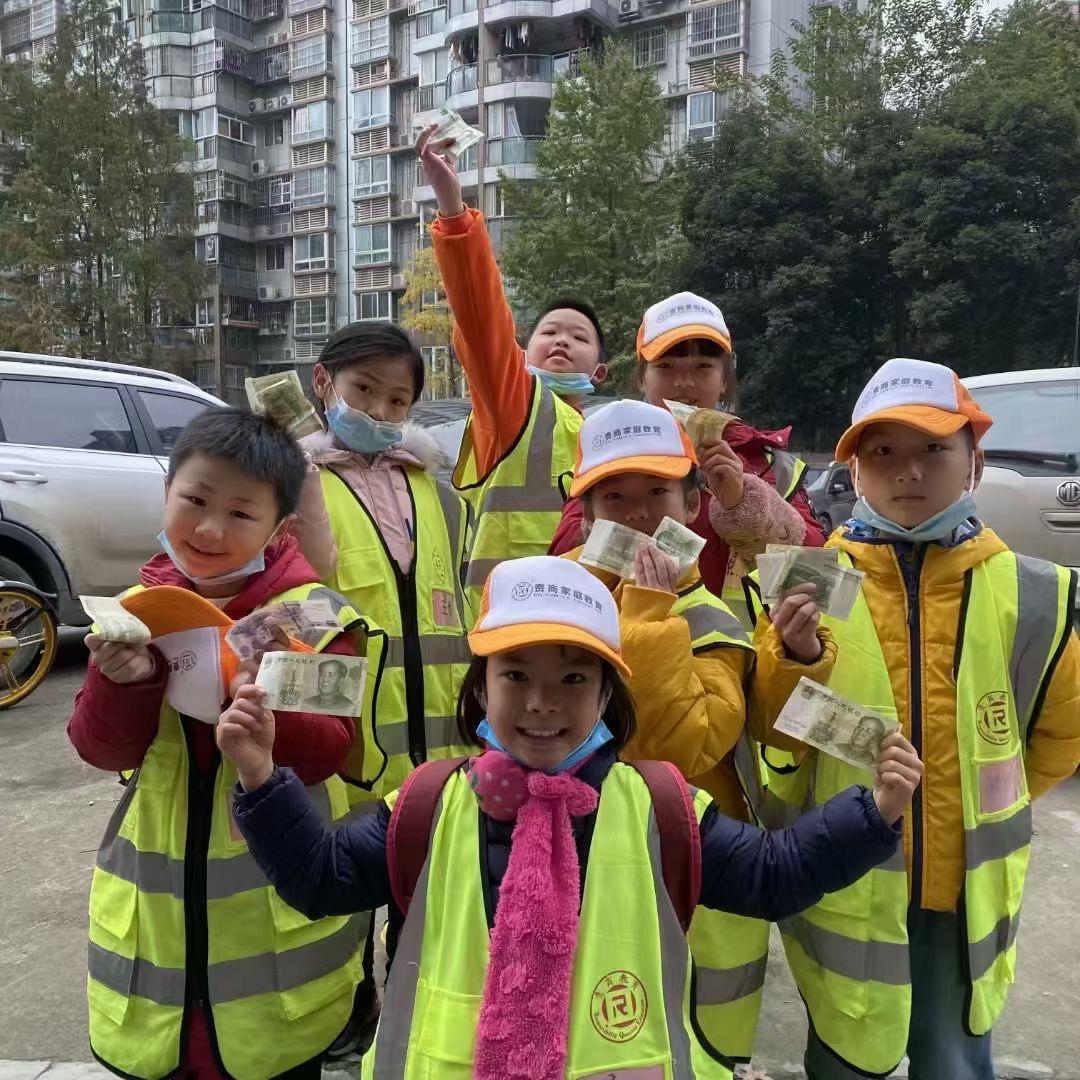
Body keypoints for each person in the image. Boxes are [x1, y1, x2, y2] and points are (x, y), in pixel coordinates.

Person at [219, 555, 924, 1080]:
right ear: (480, 688)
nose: (542, 701)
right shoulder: (428, 804)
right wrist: (259, 775)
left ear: (608, 695)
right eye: (516, 675)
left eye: (574, 678)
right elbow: (321, 879)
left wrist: (875, 812)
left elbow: (771, 876)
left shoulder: (661, 806)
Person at [748, 358, 1080, 1080]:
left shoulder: (1033, 590)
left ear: (974, 460)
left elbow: (1060, 736)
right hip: (847, 880)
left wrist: (982, 805)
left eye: (934, 448)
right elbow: (770, 731)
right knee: (843, 1053)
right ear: (854, 470)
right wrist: (795, 656)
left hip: (962, 896)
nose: (909, 471)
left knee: (953, 1057)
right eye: (883, 452)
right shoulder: (811, 577)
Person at [68, 408, 365, 1080]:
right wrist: (128, 682)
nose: (208, 529)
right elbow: (101, 749)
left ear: (279, 527)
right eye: (195, 501)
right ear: (167, 491)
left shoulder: (313, 614)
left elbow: (330, 752)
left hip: (275, 959)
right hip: (155, 949)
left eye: (240, 513)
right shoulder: (136, 609)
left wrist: (263, 699)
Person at [560, 397, 833, 1062]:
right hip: (577, 861)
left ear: (691, 506)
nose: (638, 514)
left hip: (697, 866)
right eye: (615, 497)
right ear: (586, 515)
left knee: (698, 1045)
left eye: (657, 493)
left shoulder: (711, 617)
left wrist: (646, 616)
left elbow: (683, 746)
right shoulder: (555, 606)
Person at [549, 291, 825, 627]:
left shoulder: (772, 466)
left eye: (703, 366)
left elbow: (820, 585)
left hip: (750, 653)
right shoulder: (606, 454)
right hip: (635, 648)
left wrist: (745, 506)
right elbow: (565, 564)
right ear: (642, 378)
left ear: (724, 380)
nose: (684, 382)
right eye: (666, 367)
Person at [417, 124, 605, 614]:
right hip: (505, 633)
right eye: (549, 332)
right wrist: (453, 211)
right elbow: (481, 318)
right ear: (521, 352)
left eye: (579, 337)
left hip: (589, 633)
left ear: (600, 372)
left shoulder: (606, 437)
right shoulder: (514, 408)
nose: (562, 340)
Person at [293, 321, 474, 797]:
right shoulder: (294, 488)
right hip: (348, 769)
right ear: (322, 381)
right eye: (363, 389)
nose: (378, 411)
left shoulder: (440, 494)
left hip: (446, 765)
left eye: (397, 399)